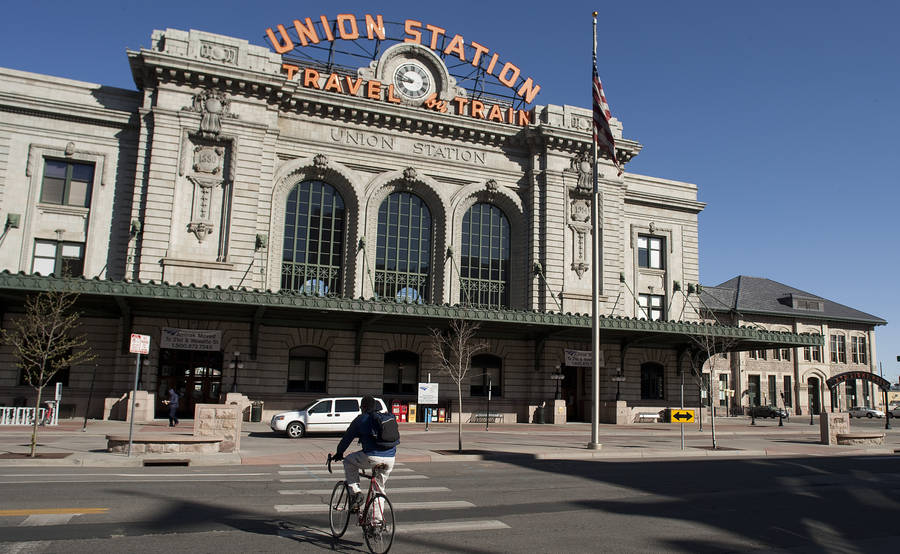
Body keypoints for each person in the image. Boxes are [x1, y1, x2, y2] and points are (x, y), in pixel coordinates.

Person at [331, 395, 397, 512]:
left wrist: (339, 453)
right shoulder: (385, 418)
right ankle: (376, 523)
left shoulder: (361, 419)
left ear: (363, 407)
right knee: (379, 489)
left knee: (348, 461)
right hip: (390, 458)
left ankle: (356, 492)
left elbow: (347, 438)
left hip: (371, 456)